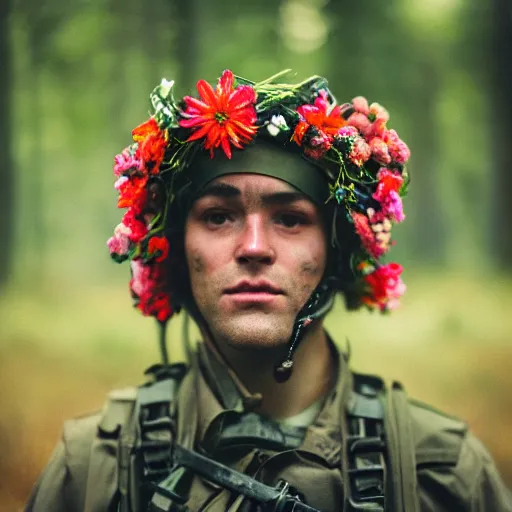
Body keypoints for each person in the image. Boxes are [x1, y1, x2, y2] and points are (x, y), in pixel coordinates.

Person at [26, 69, 512, 512]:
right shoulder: (92, 470)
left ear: (336, 251)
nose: (254, 247)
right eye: (218, 216)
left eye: (290, 218)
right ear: (177, 250)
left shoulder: (444, 474)